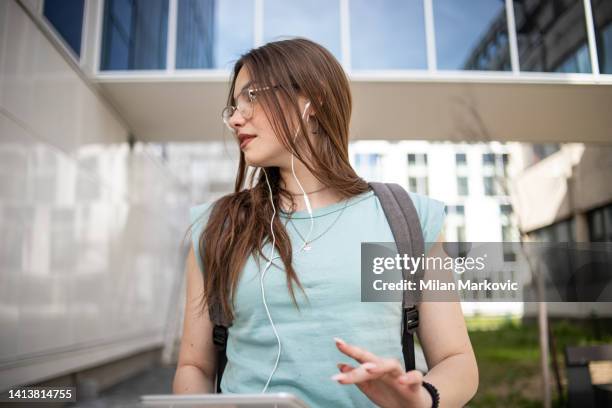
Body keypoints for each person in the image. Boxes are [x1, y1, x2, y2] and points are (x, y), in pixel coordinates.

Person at [173, 37, 478, 407]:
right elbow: (194, 365)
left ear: (311, 100)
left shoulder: (405, 218)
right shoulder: (217, 227)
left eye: (252, 97)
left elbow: (457, 361)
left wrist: (422, 400)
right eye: (233, 106)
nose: (237, 118)